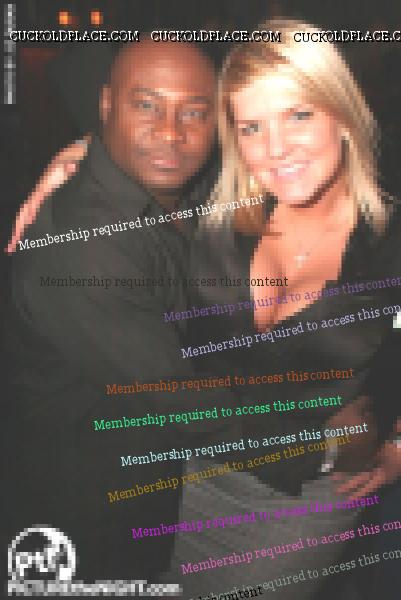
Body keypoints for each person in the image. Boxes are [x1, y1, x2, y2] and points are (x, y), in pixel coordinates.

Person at [7, 21, 401, 599]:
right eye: (251, 127)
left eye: (298, 115)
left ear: (342, 112)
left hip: (304, 499)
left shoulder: (391, 241)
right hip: (184, 482)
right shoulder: (220, 200)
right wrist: (80, 155)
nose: (276, 149)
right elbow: (159, 141)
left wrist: (394, 448)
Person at [2, 39, 241, 588]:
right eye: (147, 105)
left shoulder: (192, 190)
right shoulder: (84, 247)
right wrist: (326, 441)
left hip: (154, 485)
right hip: (83, 513)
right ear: (106, 104)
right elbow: (184, 405)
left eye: (194, 112)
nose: (171, 132)